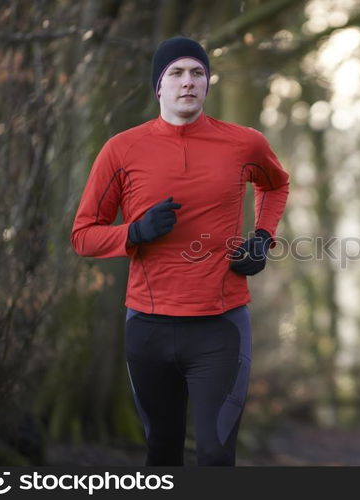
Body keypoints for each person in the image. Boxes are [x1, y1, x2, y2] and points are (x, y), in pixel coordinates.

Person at [70, 36, 289, 466]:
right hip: (148, 328)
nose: (187, 82)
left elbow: (276, 183)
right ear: (159, 86)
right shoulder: (121, 149)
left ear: (208, 84)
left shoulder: (244, 143)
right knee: (162, 453)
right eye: (176, 73)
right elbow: (83, 235)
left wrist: (262, 237)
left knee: (214, 453)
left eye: (197, 73)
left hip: (220, 327)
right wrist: (133, 232)